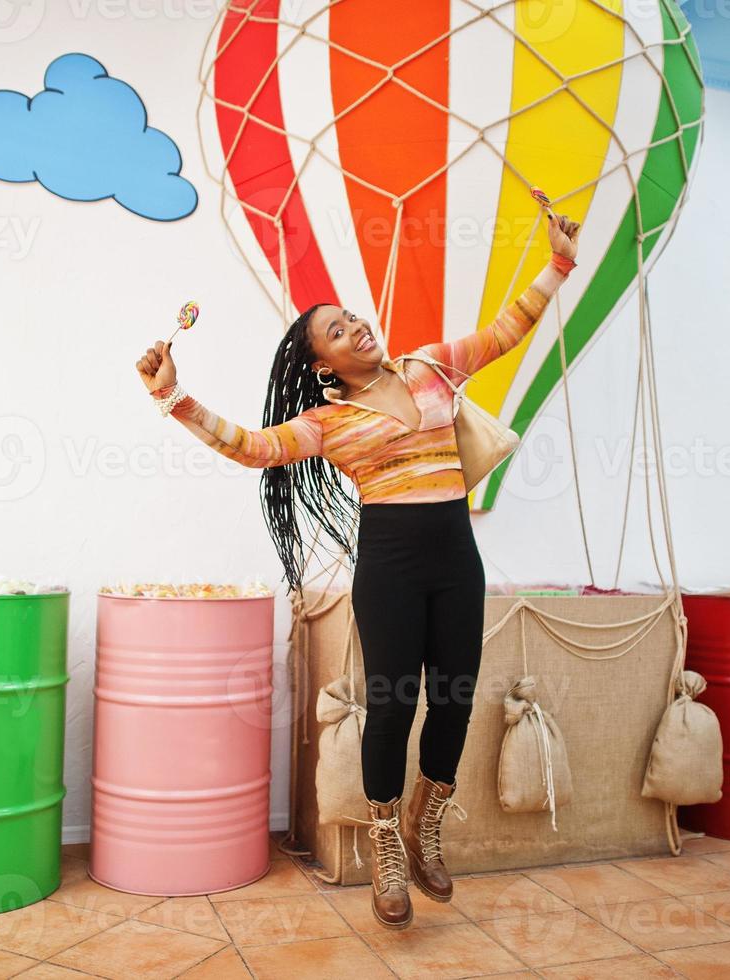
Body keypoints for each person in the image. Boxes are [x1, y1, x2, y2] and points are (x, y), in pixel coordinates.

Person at [136, 213, 581, 928]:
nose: (357, 330)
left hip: (453, 558)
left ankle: (423, 820)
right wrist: (173, 398)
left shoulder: (432, 366)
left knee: (457, 696)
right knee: (395, 704)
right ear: (322, 366)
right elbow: (252, 447)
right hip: (390, 565)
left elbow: (505, 330)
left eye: (353, 320)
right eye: (337, 332)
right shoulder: (326, 424)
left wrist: (558, 264)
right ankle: (385, 846)